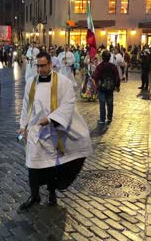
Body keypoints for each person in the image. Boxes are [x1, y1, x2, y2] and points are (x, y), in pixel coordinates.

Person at [17, 51, 93, 212]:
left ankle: (52, 193)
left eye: (43, 66)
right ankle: (34, 195)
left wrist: (51, 118)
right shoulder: (30, 82)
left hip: (53, 130)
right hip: (35, 130)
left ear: (50, 64)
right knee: (32, 165)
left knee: (51, 165)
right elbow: (26, 106)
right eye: (37, 66)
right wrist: (23, 125)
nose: (39, 69)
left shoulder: (63, 82)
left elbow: (68, 103)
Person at [93, 50, 121, 125]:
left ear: (102, 58)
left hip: (101, 87)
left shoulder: (99, 67)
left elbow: (96, 76)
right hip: (110, 87)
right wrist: (117, 86)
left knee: (102, 103)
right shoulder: (113, 66)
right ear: (109, 57)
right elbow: (117, 77)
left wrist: (96, 85)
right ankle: (109, 118)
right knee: (110, 103)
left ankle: (102, 119)